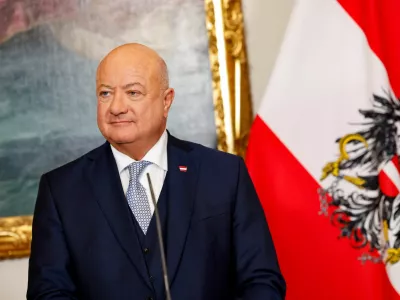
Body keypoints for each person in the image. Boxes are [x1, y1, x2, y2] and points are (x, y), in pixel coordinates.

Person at [27, 43, 286, 300]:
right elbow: (48, 292)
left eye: (133, 93)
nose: (116, 107)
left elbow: (261, 281)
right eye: (105, 93)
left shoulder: (224, 174)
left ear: (166, 101)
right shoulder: (61, 189)